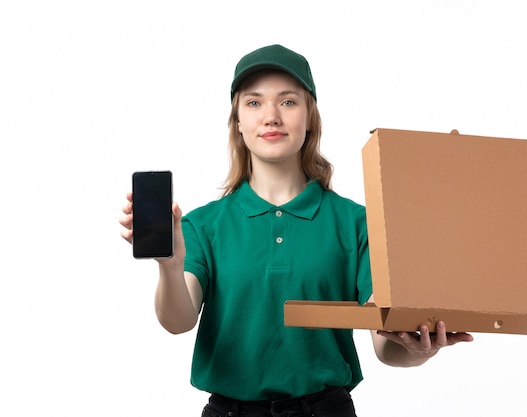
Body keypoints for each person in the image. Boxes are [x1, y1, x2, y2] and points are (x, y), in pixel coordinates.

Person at [119, 44, 473, 417]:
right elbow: (178, 321)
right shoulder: (202, 225)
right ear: (238, 122)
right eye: (254, 103)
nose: (271, 116)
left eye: (288, 102)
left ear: (310, 118)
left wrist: (418, 349)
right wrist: (170, 265)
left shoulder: (357, 224)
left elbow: (385, 345)